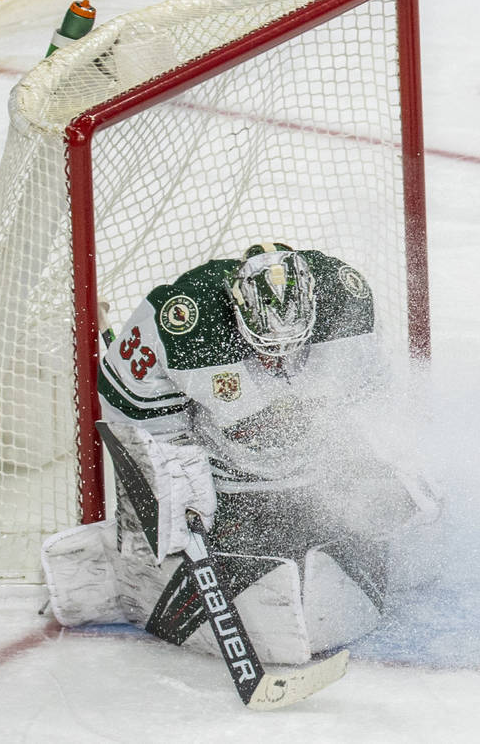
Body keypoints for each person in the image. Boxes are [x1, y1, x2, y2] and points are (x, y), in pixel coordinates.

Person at [41, 242, 440, 663]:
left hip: (315, 470)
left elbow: (375, 400)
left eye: (292, 346)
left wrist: (392, 461)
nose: (279, 359)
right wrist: (180, 475)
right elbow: (127, 403)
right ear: (237, 312)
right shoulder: (184, 321)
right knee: (228, 551)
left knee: (405, 509)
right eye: (266, 347)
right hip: (226, 480)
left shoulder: (346, 302)